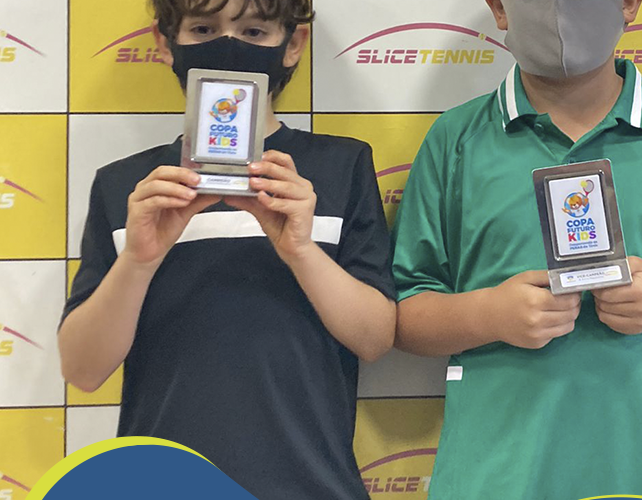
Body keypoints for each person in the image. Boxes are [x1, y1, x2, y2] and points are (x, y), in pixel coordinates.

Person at [391, 0, 642, 498]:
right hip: (496, 473)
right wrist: (489, 314)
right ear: (499, 7)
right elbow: (402, 315)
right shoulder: (456, 140)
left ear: (629, 4)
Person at [58, 1, 396, 498]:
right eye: (203, 28)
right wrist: (138, 261)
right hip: (162, 485)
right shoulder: (126, 187)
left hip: (312, 485)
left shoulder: (342, 166)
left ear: (294, 43)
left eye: (254, 31)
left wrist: (301, 251)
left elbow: (375, 338)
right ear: (164, 42)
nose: (227, 45)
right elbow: (82, 370)